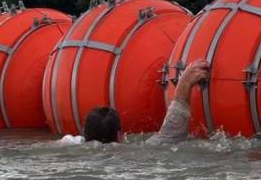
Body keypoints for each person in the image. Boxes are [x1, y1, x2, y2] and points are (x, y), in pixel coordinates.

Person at [81, 59, 210, 145]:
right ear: (119, 135)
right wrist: (184, 84)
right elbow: (170, 135)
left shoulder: (71, 144)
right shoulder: (128, 156)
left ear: (84, 135)